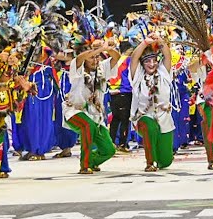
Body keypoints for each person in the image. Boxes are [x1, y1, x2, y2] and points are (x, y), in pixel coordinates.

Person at [63, 38, 120, 174]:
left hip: (96, 116)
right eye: (92, 58)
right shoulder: (77, 67)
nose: (95, 60)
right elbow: (82, 57)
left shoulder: (102, 67)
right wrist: (98, 49)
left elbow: (116, 57)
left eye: (97, 57)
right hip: (74, 111)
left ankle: (92, 160)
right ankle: (85, 165)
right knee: (88, 126)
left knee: (109, 150)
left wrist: (108, 49)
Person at [129, 32, 177, 172]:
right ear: (142, 64)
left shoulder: (163, 73)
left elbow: (167, 55)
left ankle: (159, 160)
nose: (152, 64)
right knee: (150, 127)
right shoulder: (137, 76)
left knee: (166, 161)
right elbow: (134, 58)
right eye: (147, 62)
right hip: (144, 118)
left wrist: (160, 41)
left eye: (154, 60)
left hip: (164, 119)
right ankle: (150, 162)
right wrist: (145, 43)